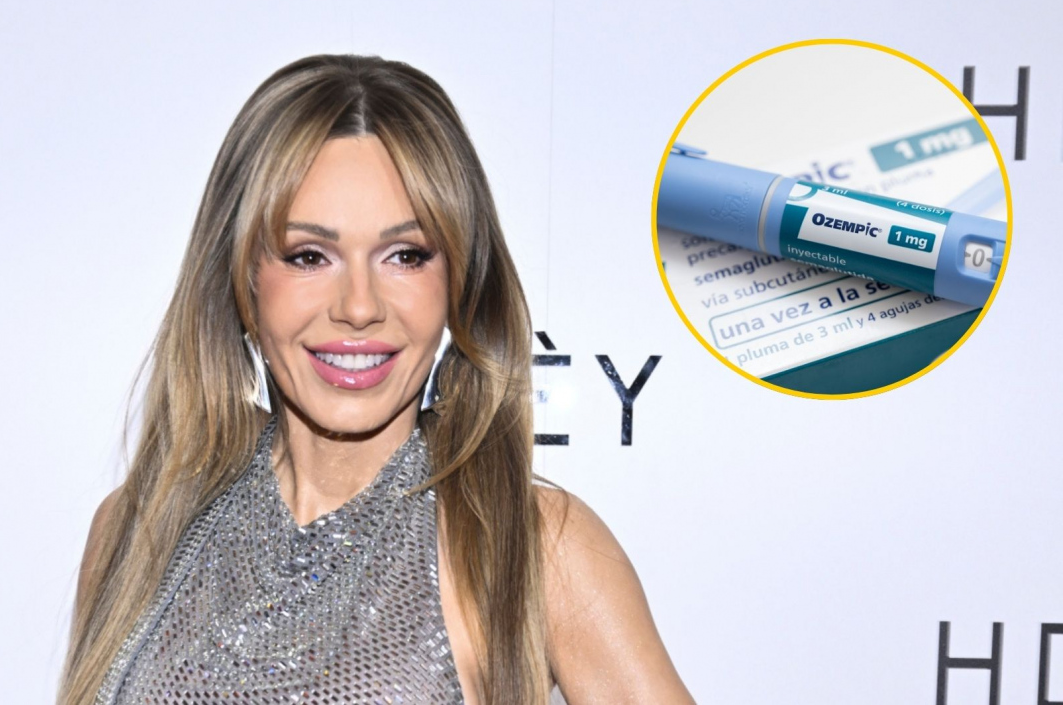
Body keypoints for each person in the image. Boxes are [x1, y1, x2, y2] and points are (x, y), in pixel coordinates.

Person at [58, 53, 694, 705]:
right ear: (244, 277)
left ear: (458, 282)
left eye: (406, 256)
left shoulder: (533, 546)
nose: (359, 306)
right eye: (309, 256)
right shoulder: (134, 529)